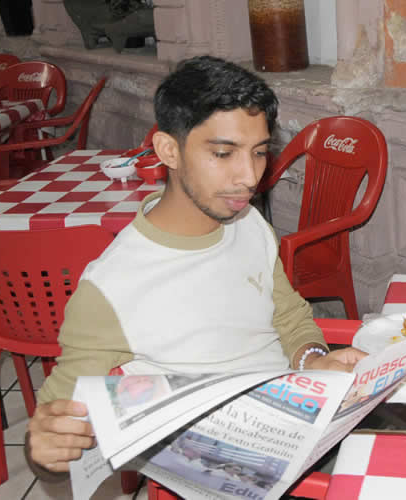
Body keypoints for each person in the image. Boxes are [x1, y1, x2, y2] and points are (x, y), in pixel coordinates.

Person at [25, 56, 366, 477]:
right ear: (168, 149)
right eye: (223, 153)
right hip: (237, 465)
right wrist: (44, 450)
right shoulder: (111, 289)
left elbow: (290, 316)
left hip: (300, 415)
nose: (248, 177)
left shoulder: (247, 222)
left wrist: (313, 360)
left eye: (259, 153)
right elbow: (57, 431)